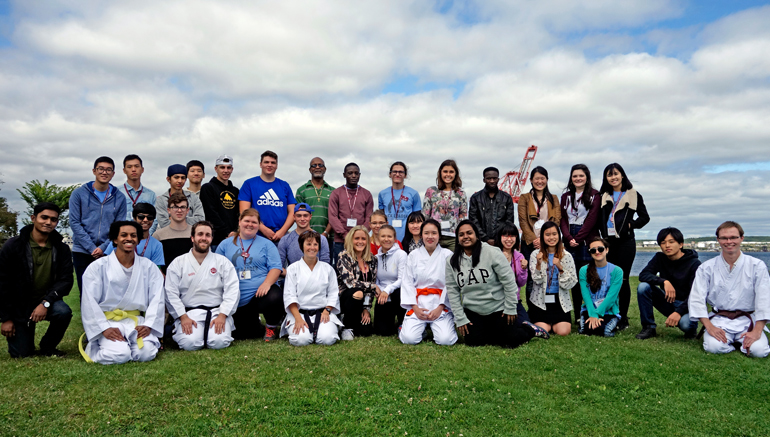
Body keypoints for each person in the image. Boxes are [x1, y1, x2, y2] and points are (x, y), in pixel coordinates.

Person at [447, 220, 547, 348]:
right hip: (473, 310)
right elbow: (452, 291)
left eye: (469, 233)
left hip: (498, 308)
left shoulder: (492, 252)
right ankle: (493, 332)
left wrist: (510, 307)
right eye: (461, 234)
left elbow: (509, 281)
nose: (465, 236)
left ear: (476, 235)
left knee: (510, 342)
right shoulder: (451, 261)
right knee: (474, 342)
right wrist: (460, 318)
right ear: (457, 238)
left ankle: (531, 330)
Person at [79, 221, 165, 365]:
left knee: (146, 353)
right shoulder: (98, 267)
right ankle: (96, 348)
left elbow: (157, 298)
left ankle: (129, 347)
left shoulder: (149, 267)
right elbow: (89, 301)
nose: (129, 239)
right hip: (108, 321)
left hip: (135, 321)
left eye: (133, 235)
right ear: (114, 239)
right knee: (120, 354)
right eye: (123, 235)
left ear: (138, 239)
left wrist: (149, 324)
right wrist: (104, 328)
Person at [0, 202, 73, 358]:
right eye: (44, 217)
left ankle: (48, 347)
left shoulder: (61, 249)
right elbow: (3, 283)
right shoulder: (13, 246)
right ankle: (24, 337)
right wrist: (6, 318)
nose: (48, 222)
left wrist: (45, 302)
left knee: (63, 312)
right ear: (33, 218)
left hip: (47, 300)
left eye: (53, 219)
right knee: (21, 354)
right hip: (20, 305)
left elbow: (66, 280)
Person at [689, 221, 770, 357]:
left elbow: (764, 299)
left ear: (741, 238)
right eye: (724, 238)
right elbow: (697, 299)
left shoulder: (757, 266)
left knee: (759, 351)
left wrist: (757, 330)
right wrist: (710, 327)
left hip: (747, 320)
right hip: (720, 320)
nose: (729, 241)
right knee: (713, 347)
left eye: (733, 237)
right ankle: (733, 343)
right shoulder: (706, 267)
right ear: (718, 240)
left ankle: (739, 340)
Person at [164, 221, 240, 351]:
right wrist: (183, 316)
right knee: (189, 343)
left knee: (219, 342)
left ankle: (216, 330)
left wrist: (223, 315)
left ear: (211, 238)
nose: (204, 238)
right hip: (189, 313)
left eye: (207, 235)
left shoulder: (222, 262)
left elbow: (232, 290)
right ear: (192, 238)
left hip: (217, 312)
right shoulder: (178, 263)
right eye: (200, 234)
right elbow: (170, 293)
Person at [216, 209, 284, 342]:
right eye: (246, 221)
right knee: (246, 334)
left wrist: (266, 283)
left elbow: (276, 268)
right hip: (234, 297)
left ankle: (271, 328)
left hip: (259, 295)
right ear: (240, 222)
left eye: (254, 222)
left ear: (259, 225)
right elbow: (217, 267)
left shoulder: (267, 244)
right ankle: (254, 323)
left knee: (275, 295)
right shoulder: (225, 244)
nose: (250, 224)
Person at [598, 163, 649, 330]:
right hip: (607, 242)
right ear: (606, 178)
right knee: (609, 279)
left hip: (626, 242)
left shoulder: (633, 194)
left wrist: (630, 225)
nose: (613, 177)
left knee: (624, 279)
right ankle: (610, 313)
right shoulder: (603, 195)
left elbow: (645, 217)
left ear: (622, 175)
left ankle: (623, 318)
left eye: (616, 174)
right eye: (609, 175)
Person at [69, 156, 127, 294]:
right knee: (86, 292)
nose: (104, 172)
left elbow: (118, 227)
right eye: (101, 169)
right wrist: (91, 248)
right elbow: (74, 222)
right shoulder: (79, 194)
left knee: (106, 293)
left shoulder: (119, 197)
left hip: (107, 252)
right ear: (94, 171)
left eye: (109, 170)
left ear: (113, 174)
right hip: (82, 251)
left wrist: (102, 248)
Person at [399, 219, 457, 346]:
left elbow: (451, 284)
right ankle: (421, 328)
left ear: (439, 235)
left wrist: (441, 306)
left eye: (434, 233)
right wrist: (415, 307)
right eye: (426, 233)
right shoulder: (413, 255)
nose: (430, 237)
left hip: (440, 304)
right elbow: (407, 282)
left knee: (445, 340)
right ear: (421, 235)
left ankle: (438, 325)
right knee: (409, 339)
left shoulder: (448, 255)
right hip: (419, 304)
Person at [636, 227, 701, 340]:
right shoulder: (660, 258)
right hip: (668, 300)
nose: (667, 245)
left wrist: (679, 312)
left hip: (687, 305)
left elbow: (696, 295)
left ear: (681, 244)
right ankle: (649, 327)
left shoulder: (694, 264)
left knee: (686, 325)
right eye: (663, 242)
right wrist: (664, 281)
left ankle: (691, 330)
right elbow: (643, 275)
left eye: (671, 242)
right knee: (643, 287)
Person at [282, 231, 343, 346]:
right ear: (301, 246)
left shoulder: (328, 269)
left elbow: (333, 293)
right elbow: (290, 296)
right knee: (301, 340)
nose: (312, 248)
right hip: (299, 313)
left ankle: (323, 330)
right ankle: (307, 331)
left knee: (327, 339)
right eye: (308, 244)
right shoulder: (292, 269)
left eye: (315, 244)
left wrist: (327, 310)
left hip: (323, 312)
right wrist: (298, 318)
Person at [559, 164, 601, 322]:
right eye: (575, 176)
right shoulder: (566, 196)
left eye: (581, 176)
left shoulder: (595, 195)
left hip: (587, 239)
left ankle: (592, 312)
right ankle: (577, 316)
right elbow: (562, 218)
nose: (578, 179)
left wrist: (579, 238)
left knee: (589, 277)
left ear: (587, 177)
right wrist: (569, 237)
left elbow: (592, 219)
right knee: (574, 279)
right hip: (570, 238)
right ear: (571, 178)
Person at [528, 221, 577, 336]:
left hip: (560, 301)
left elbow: (571, 283)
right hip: (541, 301)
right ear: (542, 237)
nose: (551, 238)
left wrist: (560, 268)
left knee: (563, 332)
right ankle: (545, 323)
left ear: (559, 236)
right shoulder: (535, 254)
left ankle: (555, 323)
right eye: (547, 234)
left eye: (554, 234)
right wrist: (539, 265)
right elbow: (536, 280)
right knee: (543, 329)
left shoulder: (566, 256)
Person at [238, 150, 296, 243]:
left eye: (273, 163)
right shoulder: (249, 184)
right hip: (256, 236)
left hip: (281, 237)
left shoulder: (284, 185)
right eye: (266, 162)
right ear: (260, 164)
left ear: (277, 166)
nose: (269, 165)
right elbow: (244, 212)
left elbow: (293, 212)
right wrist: (263, 229)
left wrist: (282, 231)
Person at [336, 226, 378, 339]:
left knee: (365, 331)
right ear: (351, 240)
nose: (360, 242)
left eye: (363, 239)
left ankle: (355, 321)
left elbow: (370, 288)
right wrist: (373, 286)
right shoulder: (343, 256)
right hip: (346, 298)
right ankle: (346, 326)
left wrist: (367, 309)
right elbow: (349, 282)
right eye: (357, 238)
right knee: (357, 291)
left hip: (361, 302)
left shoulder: (373, 259)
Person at [328, 163, 374, 264]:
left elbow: (369, 218)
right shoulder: (336, 193)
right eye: (350, 173)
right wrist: (346, 235)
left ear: (359, 175)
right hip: (341, 240)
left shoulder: (367, 194)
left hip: (360, 241)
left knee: (361, 268)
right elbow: (332, 217)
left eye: (356, 173)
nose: (353, 176)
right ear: (344, 175)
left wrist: (360, 235)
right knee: (340, 270)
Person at [578, 238, 623, 337]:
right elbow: (585, 295)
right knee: (584, 330)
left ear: (607, 250)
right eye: (593, 250)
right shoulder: (583, 270)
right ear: (590, 253)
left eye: (600, 249)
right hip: (590, 309)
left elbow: (611, 297)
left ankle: (614, 322)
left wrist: (597, 314)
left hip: (609, 310)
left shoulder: (617, 271)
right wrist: (593, 314)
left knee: (606, 332)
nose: (597, 252)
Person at [422, 159, 467, 251]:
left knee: (452, 263)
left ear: (455, 174)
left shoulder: (461, 193)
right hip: (434, 236)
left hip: (453, 237)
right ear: (440, 173)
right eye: (445, 171)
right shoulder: (431, 191)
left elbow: (463, 216)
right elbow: (425, 214)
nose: (448, 174)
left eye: (451, 172)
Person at [104, 203, 164, 268]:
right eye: (141, 217)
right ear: (134, 218)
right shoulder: (119, 240)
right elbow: (106, 263)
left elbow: (157, 270)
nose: (145, 220)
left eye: (150, 218)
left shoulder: (157, 245)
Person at [200, 154, 239, 250]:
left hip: (234, 239)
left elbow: (239, 213)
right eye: (222, 167)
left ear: (232, 169)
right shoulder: (208, 188)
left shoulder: (236, 191)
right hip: (215, 240)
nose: (226, 171)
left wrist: (235, 231)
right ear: (216, 169)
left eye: (228, 168)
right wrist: (227, 232)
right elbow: (211, 213)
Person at [277, 204, 331, 274]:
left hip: (316, 280)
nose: (302, 219)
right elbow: (278, 267)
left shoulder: (321, 239)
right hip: (293, 280)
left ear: (310, 216)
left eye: (305, 215)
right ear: (294, 217)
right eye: (299, 216)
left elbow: (325, 265)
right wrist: (293, 276)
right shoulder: (285, 240)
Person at [374, 224, 408, 336]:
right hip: (383, 295)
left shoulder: (401, 255)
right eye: (383, 236)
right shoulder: (376, 258)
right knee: (382, 332)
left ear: (394, 239)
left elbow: (402, 279)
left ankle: (402, 323)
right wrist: (378, 289)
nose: (386, 239)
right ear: (378, 238)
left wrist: (387, 290)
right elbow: (377, 279)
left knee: (399, 292)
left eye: (389, 236)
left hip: (397, 293)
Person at [469, 167, 515, 246]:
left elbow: (509, 221)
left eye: (494, 178)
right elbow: (473, 220)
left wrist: (499, 238)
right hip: (480, 242)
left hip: (501, 242)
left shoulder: (506, 198)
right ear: (484, 180)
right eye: (489, 178)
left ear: (498, 179)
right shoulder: (475, 198)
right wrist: (485, 238)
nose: (492, 181)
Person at [493, 224, 530, 322]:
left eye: (512, 236)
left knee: (525, 324)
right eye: (505, 235)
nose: (509, 239)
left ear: (516, 238)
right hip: (496, 301)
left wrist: (523, 269)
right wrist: (502, 263)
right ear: (499, 236)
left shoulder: (519, 256)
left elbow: (521, 283)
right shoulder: (494, 254)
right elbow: (491, 281)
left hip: (514, 299)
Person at [378, 161, 421, 242]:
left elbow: (417, 218)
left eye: (401, 172)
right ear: (390, 174)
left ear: (405, 175)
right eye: (394, 171)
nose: (397, 174)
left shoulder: (413, 193)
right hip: (388, 238)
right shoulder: (382, 194)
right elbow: (381, 217)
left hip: (407, 237)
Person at [154, 164, 205, 229]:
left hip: (189, 236)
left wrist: (174, 219)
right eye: (176, 177)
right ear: (168, 179)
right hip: (168, 236)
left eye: (183, 178)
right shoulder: (161, 200)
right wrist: (187, 219)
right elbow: (163, 223)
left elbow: (200, 220)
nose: (180, 181)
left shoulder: (193, 198)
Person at [295, 157, 335, 239]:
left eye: (320, 165)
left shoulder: (333, 191)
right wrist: (307, 233)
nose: (317, 167)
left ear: (325, 169)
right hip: (306, 237)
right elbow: (299, 215)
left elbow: (335, 216)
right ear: (310, 170)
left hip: (328, 237)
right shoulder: (301, 190)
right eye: (314, 165)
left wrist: (325, 233)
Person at [152, 192, 193, 272]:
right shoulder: (158, 235)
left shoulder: (196, 233)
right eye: (175, 207)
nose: (179, 210)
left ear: (187, 210)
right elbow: (153, 263)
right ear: (169, 210)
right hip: (166, 281)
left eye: (183, 207)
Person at [120, 154, 157, 233]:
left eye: (136, 166)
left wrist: (145, 237)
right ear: (124, 170)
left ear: (142, 169)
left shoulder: (150, 194)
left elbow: (155, 219)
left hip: (145, 238)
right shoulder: (117, 192)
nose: (133, 169)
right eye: (129, 167)